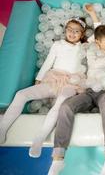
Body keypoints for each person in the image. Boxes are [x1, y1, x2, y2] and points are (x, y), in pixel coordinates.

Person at [47, 4, 105, 175]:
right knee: (66, 107)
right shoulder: (91, 50)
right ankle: (58, 158)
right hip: (88, 91)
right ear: (97, 42)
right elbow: (95, 64)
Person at [0, 17, 88, 158]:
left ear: (82, 34)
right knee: (21, 94)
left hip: (71, 82)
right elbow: (48, 62)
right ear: (65, 30)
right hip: (53, 79)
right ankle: (2, 129)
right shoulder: (57, 45)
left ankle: (39, 139)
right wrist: (39, 79)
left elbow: (97, 35)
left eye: (77, 31)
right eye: (69, 29)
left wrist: (93, 15)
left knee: (60, 104)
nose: (72, 33)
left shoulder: (84, 46)